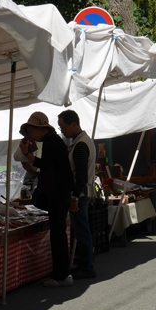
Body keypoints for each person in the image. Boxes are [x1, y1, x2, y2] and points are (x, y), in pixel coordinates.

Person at [19, 111, 75, 286]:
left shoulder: (51, 140)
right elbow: (49, 169)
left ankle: (60, 275)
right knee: (58, 233)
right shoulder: (53, 140)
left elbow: (45, 164)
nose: (31, 135)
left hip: (58, 192)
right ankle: (62, 274)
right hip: (60, 192)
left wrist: (27, 155)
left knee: (57, 235)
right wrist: (31, 167)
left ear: (39, 128)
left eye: (31, 131)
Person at [58, 109, 96, 279]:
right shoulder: (82, 142)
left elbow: (80, 175)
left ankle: (86, 266)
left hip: (79, 196)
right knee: (81, 230)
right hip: (81, 194)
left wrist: (74, 196)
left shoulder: (81, 145)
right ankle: (85, 264)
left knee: (81, 230)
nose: (62, 131)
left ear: (73, 124)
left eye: (63, 127)